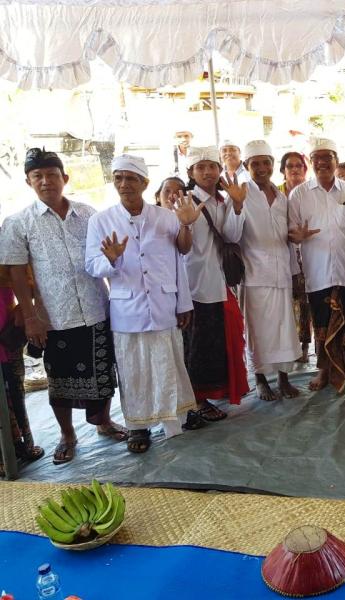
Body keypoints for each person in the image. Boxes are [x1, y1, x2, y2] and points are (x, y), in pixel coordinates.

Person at [0, 148, 125, 465]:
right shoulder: (18, 223)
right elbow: (17, 273)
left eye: (52, 175)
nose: (46, 181)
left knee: (103, 373)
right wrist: (31, 318)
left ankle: (104, 423)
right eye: (38, 176)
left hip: (96, 308)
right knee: (59, 382)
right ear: (28, 182)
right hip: (54, 317)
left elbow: (105, 257)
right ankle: (67, 435)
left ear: (64, 178)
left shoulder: (89, 214)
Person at [85, 155, 201, 452]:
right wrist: (111, 259)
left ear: (145, 183)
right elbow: (92, 265)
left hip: (163, 303)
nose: (124, 184)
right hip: (127, 309)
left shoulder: (166, 217)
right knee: (133, 370)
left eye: (131, 178)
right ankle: (138, 427)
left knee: (167, 363)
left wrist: (183, 303)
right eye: (118, 178)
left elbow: (180, 257)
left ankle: (175, 418)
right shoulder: (100, 220)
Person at [288, 138, 345, 392]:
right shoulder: (299, 194)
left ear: (336, 160)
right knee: (321, 323)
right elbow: (291, 232)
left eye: (327, 157)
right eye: (317, 158)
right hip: (318, 269)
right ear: (311, 162)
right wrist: (298, 236)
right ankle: (323, 370)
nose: (322, 162)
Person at [229, 140, 301, 401]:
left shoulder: (281, 197)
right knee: (257, 331)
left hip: (281, 273)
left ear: (272, 165)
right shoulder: (241, 193)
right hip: (254, 274)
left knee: (284, 329)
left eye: (266, 163)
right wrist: (237, 207)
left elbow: (288, 236)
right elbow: (230, 234)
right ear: (246, 166)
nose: (261, 168)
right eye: (255, 164)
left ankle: (283, 378)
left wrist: (295, 266)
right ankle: (260, 380)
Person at [182, 146, 249, 420]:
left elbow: (232, 236)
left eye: (212, 166)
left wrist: (237, 206)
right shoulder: (185, 201)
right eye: (201, 167)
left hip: (220, 282)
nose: (208, 172)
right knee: (197, 344)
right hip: (194, 284)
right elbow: (181, 247)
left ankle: (215, 392)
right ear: (191, 173)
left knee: (219, 342)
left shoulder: (223, 201)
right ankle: (197, 400)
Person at [0, 268, 43, 477]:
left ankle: (22, 444)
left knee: (15, 391)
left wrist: (23, 310)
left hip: (6, 331)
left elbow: (29, 279)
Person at [279, 152, 312, 363]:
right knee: (286, 304)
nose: (294, 169)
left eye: (299, 165)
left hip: (309, 254)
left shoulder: (310, 192)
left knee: (306, 302)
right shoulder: (276, 193)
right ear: (283, 170)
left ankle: (305, 346)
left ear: (305, 169)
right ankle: (287, 346)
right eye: (289, 166)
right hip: (284, 255)